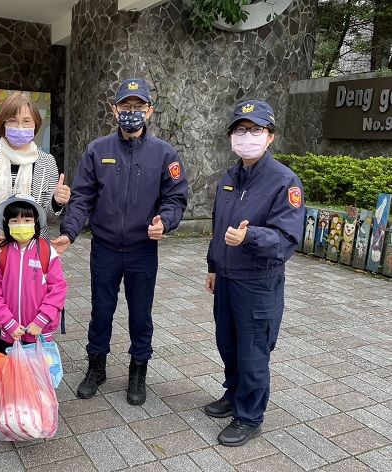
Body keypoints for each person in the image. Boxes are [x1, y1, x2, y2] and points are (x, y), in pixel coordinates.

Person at [52, 78, 188, 406]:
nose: (131, 113)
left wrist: (164, 221)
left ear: (150, 111)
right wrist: (69, 231)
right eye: (125, 106)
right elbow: (82, 196)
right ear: (114, 110)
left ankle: (138, 371)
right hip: (105, 249)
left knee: (140, 314)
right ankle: (96, 368)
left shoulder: (164, 153)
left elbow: (176, 197)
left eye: (138, 107)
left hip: (143, 250)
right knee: (101, 311)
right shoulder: (97, 150)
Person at [204, 100, 304, 447]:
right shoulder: (230, 177)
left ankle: (249, 417)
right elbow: (218, 227)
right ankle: (233, 394)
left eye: (255, 130)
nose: (247, 136)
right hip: (227, 279)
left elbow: (288, 238)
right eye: (240, 130)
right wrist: (213, 266)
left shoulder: (284, 181)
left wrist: (251, 236)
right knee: (227, 343)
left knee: (253, 351)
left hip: (259, 283)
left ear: (270, 136)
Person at [0, 92, 71, 354]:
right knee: (1, 312)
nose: (20, 127)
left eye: (26, 121)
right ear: (2, 124)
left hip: (35, 250)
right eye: (13, 121)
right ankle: (2, 377)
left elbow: (46, 214)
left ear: (35, 124)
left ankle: (33, 375)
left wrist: (57, 202)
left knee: (34, 311)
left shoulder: (45, 162)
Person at [0, 193, 67, 354]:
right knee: (12, 376)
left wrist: (41, 320)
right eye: (14, 221)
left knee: (38, 377)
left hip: (39, 332)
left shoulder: (47, 252)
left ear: (35, 221)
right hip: (11, 334)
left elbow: (58, 289)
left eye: (27, 220)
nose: (21, 224)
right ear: (6, 224)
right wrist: (9, 324)